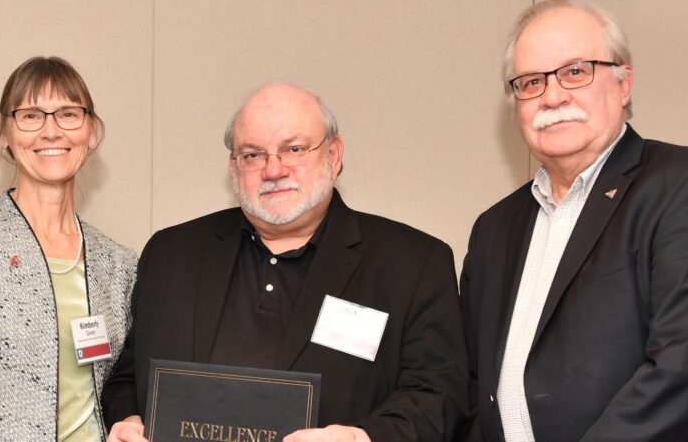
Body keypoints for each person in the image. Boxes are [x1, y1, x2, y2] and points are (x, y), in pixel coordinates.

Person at [102, 83, 470, 442]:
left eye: (294, 149)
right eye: (253, 155)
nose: (274, 170)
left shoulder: (413, 264)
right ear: (233, 167)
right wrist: (127, 420)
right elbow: (127, 378)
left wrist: (363, 438)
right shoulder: (171, 253)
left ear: (334, 155)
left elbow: (439, 395)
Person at [460, 0, 688, 442]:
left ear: (624, 83)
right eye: (532, 82)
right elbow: (473, 387)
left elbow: (683, 365)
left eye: (575, 72)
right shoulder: (492, 229)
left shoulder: (682, 186)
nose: (553, 97)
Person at [0, 56, 138, 441]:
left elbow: (122, 385)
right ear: (5, 133)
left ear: (92, 131)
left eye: (68, 114)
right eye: (31, 116)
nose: (51, 131)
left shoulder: (118, 264)